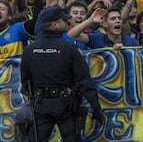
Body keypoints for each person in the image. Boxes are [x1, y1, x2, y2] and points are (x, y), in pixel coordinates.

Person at [20, 7, 104, 142]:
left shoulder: (29, 50)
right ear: (55, 25)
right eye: (64, 20)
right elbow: (84, 80)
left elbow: (25, 81)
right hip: (67, 106)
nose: (67, 22)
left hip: (40, 105)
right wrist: (95, 105)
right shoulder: (70, 49)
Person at [68, 8, 139, 49]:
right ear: (104, 24)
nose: (117, 21)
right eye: (113, 19)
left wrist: (124, 51)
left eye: (119, 18)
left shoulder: (131, 41)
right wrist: (90, 20)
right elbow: (72, 34)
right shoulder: (97, 39)